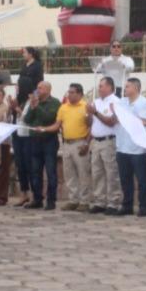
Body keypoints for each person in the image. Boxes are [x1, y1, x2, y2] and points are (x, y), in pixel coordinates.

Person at [114, 77, 146, 217]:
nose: (125, 89)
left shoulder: (144, 103)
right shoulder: (121, 102)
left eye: (128, 87)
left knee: (142, 180)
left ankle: (144, 206)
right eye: (125, 87)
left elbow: (143, 121)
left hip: (137, 148)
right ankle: (127, 205)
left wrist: (127, 117)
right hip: (122, 146)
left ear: (136, 88)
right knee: (125, 179)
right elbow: (117, 118)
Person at [45, 83, 90, 212]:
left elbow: (91, 127)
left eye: (72, 92)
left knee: (83, 173)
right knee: (69, 174)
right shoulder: (63, 107)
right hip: (67, 144)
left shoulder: (86, 106)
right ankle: (73, 200)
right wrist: (44, 129)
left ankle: (84, 201)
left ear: (80, 94)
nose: (69, 94)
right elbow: (57, 125)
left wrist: (87, 143)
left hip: (80, 143)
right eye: (68, 92)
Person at [84, 77, 125, 215]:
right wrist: (89, 114)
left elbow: (111, 122)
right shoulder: (96, 102)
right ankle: (99, 201)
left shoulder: (116, 102)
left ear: (110, 87)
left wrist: (95, 112)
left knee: (111, 173)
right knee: (97, 173)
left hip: (109, 142)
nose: (99, 88)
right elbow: (91, 123)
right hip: (96, 141)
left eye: (101, 86)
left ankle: (113, 202)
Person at [12, 47, 44, 207]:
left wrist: (19, 108)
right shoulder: (19, 100)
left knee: (30, 164)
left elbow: (29, 118)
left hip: (29, 136)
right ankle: (24, 192)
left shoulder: (33, 101)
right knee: (20, 163)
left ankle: (33, 194)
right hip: (18, 133)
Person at [22, 80, 61, 210]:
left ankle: (51, 200)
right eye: (37, 88)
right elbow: (27, 120)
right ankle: (37, 199)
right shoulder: (33, 102)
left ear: (48, 90)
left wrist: (37, 107)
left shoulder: (54, 103)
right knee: (35, 171)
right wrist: (32, 108)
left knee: (50, 172)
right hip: (35, 141)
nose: (37, 90)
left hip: (49, 141)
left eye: (40, 88)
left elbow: (49, 118)